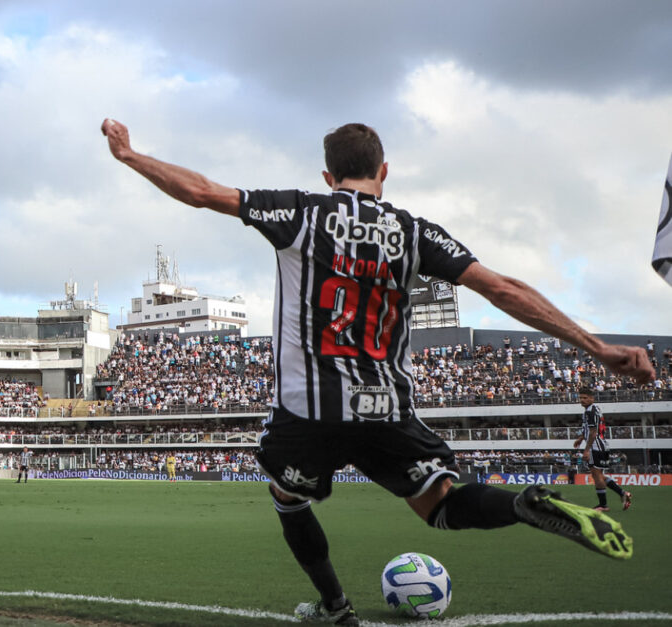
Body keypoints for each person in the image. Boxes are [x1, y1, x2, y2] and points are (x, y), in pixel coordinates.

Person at [102, 118, 655, 624]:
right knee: (440, 504)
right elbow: (503, 289)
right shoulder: (415, 233)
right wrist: (596, 346)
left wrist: (130, 155)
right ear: (383, 172)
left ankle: (336, 607)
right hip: (386, 407)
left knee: (287, 497)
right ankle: (521, 503)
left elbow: (200, 192)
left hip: (310, 410)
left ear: (328, 174)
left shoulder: (300, 212)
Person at [573, 388, 631, 511]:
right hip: (602, 445)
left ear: (591, 398)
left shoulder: (590, 412)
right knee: (599, 475)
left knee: (597, 476)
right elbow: (591, 430)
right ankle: (622, 493)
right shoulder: (595, 409)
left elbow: (593, 433)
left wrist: (587, 450)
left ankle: (603, 505)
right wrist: (580, 438)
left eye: (585, 398)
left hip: (596, 446)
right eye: (581, 398)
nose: (582, 400)